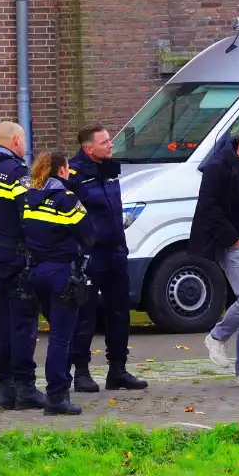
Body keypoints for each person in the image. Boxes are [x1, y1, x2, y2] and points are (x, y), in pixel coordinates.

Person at [67, 123, 149, 392]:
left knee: (119, 312)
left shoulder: (110, 169)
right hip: (90, 255)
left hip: (115, 252)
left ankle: (118, 370)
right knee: (86, 313)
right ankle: (80, 372)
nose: (110, 145)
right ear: (88, 148)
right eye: (104, 142)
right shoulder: (75, 174)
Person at [192, 120, 239, 386]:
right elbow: (209, 207)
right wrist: (232, 239)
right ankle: (217, 336)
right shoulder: (219, 167)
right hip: (233, 243)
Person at [22, 151, 97, 416]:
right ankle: (56, 396)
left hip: (36, 272)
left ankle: (54, 391)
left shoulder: (29, 198)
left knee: (54, 332)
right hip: (62, 273)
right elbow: (89, 235)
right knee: (61, 338)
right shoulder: (66, 199)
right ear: (62, 171)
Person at [0, 122, 44, 410]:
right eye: (24, 140)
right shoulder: (17, 173)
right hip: (18, 255)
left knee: (0, 323)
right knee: (24, 322)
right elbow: (29, 214)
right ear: (16, 141)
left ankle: (5, 388)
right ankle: (25, 387)